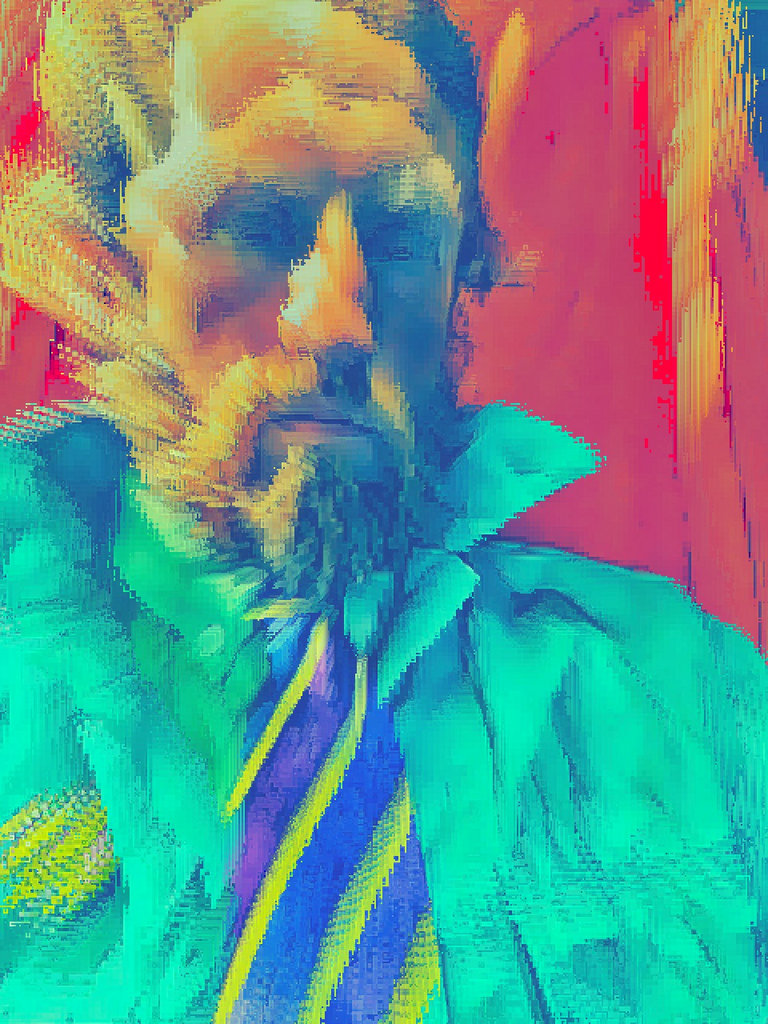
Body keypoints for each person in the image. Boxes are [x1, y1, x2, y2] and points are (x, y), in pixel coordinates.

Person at [1, 1, 767, 1022]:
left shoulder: (680, 698)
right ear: (104, 261)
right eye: (256, 227)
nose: (338, 320)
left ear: (464, 278)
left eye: (401, 236)